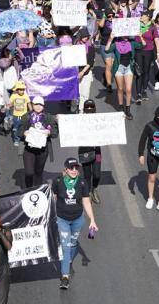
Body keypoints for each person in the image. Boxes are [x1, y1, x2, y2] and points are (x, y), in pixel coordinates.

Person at [52, 157, 99, 290]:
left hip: (78, 219)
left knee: (73, 244)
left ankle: (68, 261)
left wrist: (92, 220)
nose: (74, 170)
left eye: (76, 168)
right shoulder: (58, 181)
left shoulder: (83, 183)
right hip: (62, 219)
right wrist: (51, 216)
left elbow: (86, 202)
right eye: (71, 168)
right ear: (65, 169)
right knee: (66, 247)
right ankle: (65, 276)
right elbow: (53, 198)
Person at [77, 100, 102, 203]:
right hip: (84, 151)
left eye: (92, 107)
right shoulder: (79, 120)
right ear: (84, 109)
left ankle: (94, 188)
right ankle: (88, 193)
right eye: (87, 107)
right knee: (87, 175)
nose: (90, 109)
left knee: (97, 174)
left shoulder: (100, 119)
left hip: (97, 151)